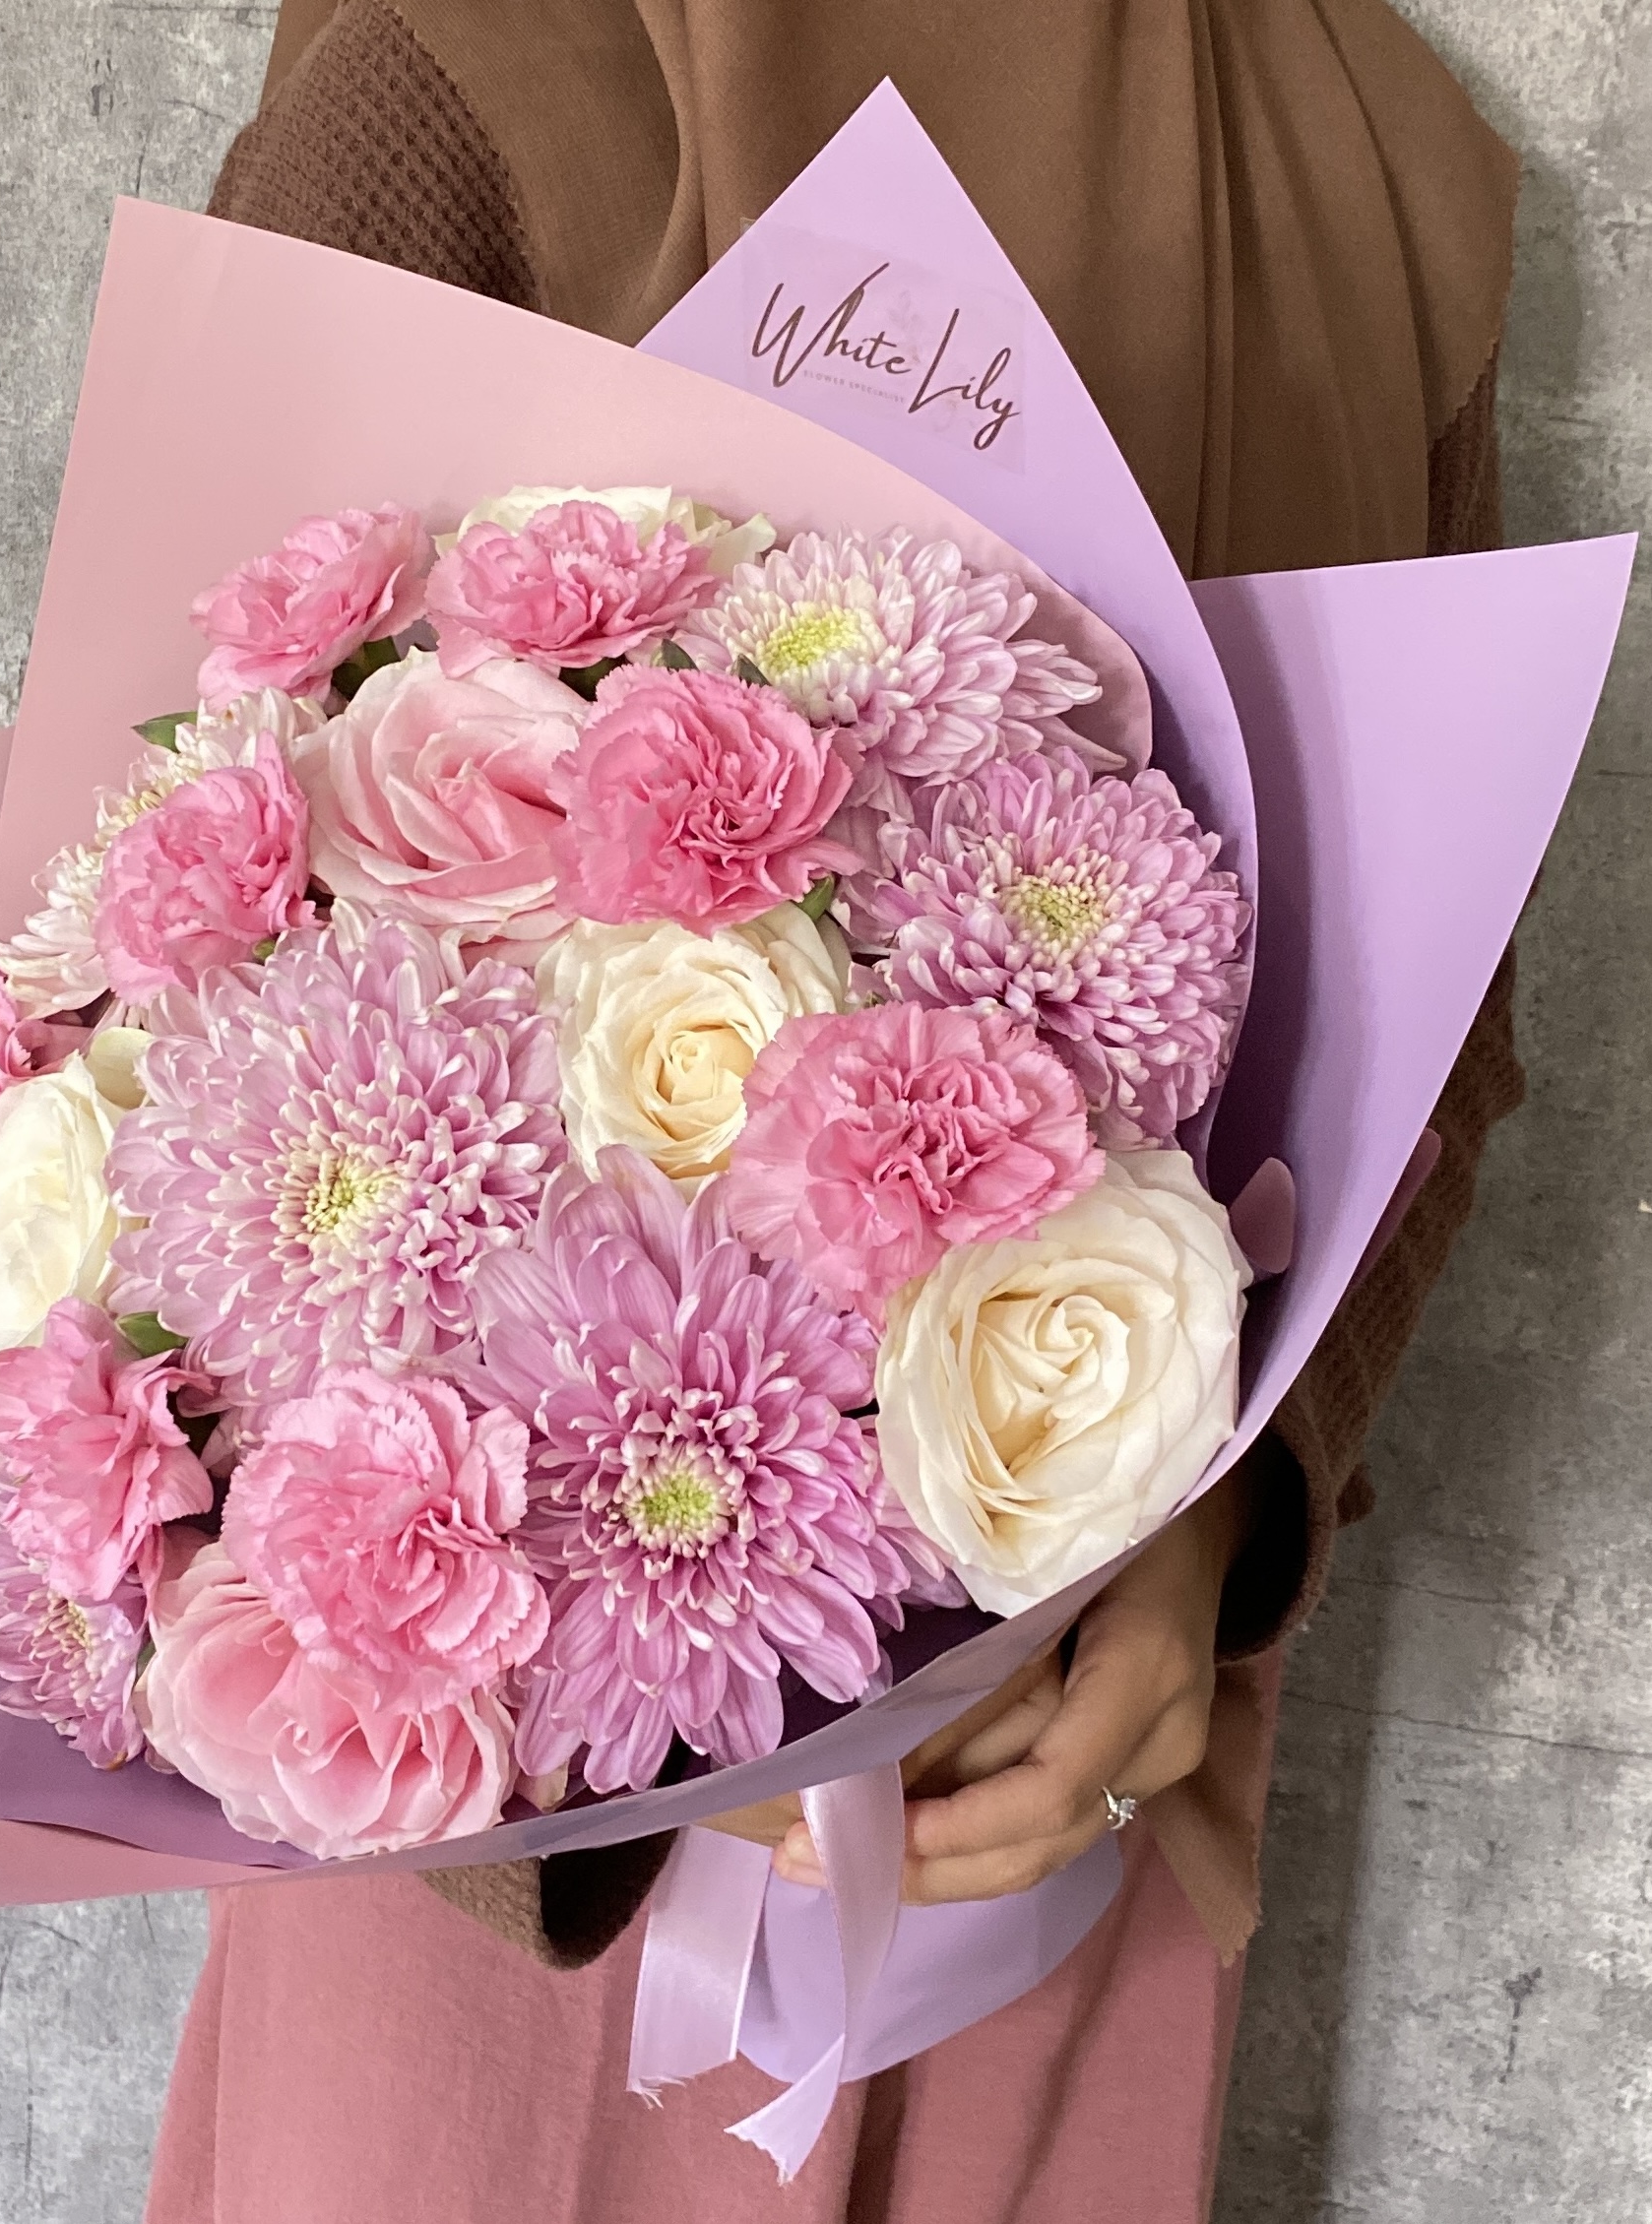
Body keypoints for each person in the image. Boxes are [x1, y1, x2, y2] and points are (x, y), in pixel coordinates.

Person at [146, 5, 1522, 2216]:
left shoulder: (1373, 156)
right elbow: (157, 871)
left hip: (1061, 1770)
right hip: (521, 1781)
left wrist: (1210, 1534)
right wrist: (545, 1724)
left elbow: (1448, 1028)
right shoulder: (485, 50)